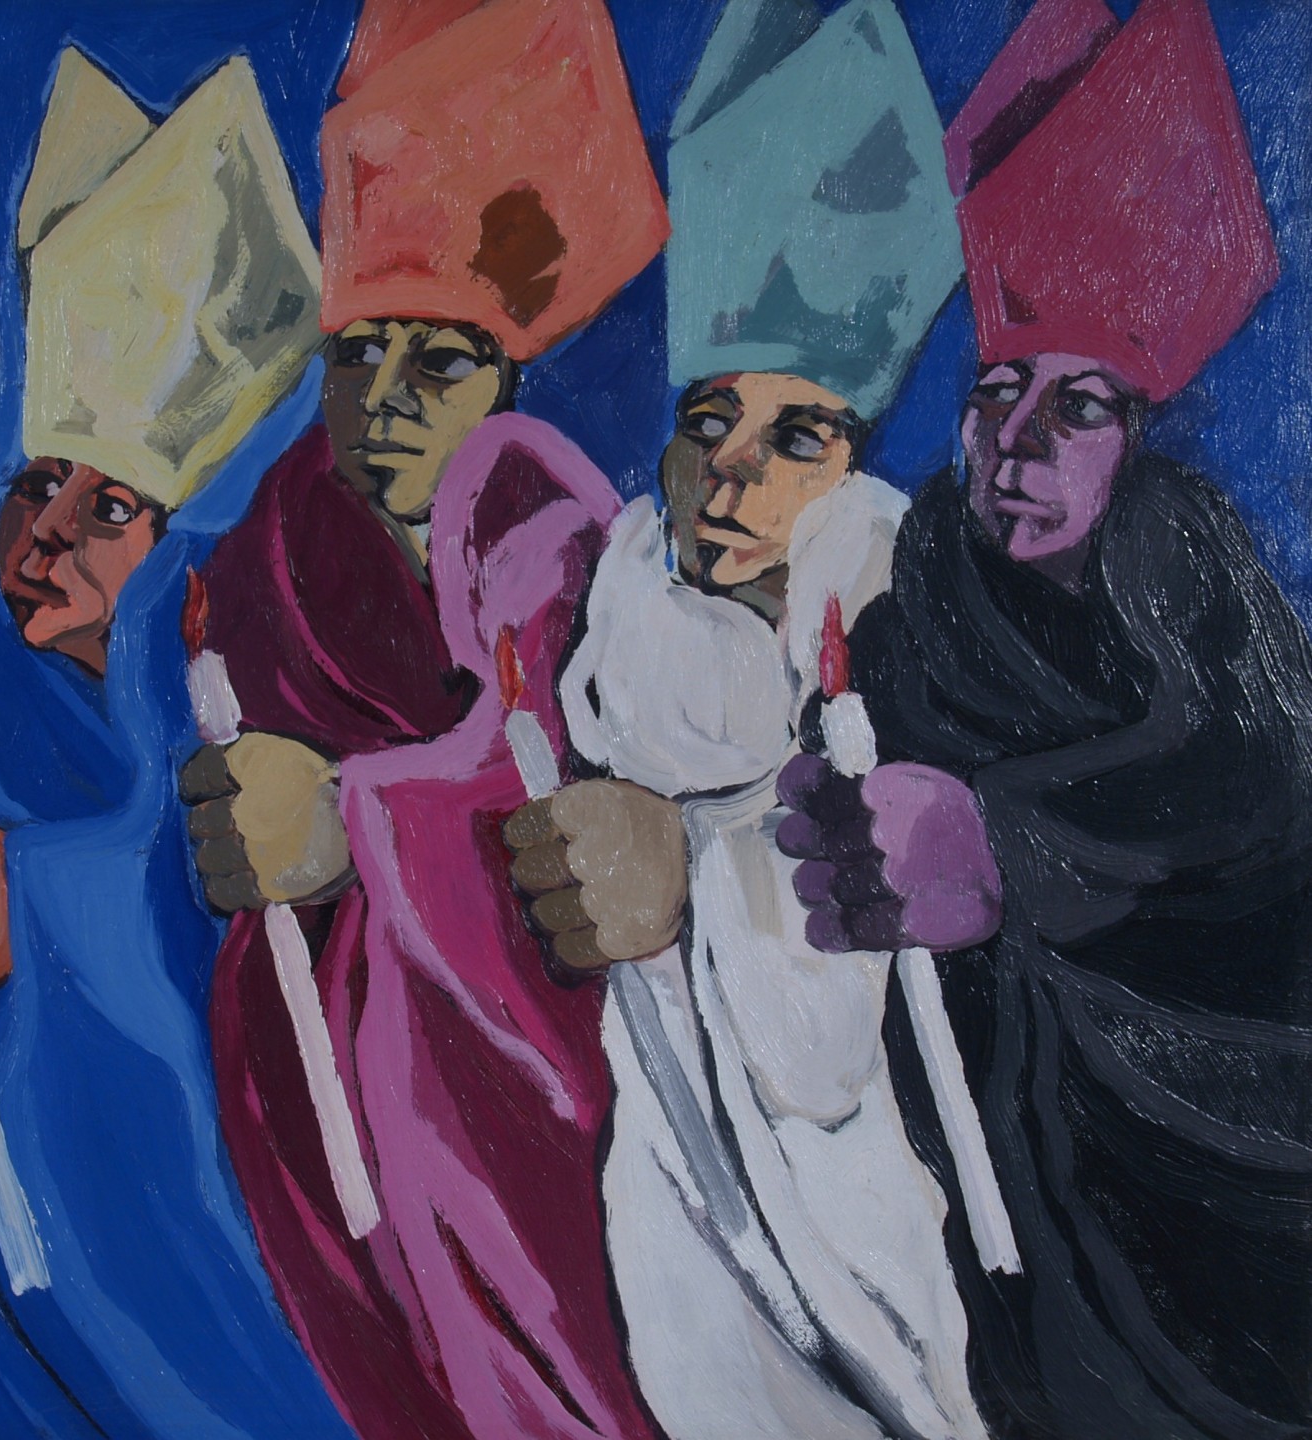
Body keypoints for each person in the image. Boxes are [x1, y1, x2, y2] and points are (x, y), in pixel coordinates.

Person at [777, 1, 1311, 1434]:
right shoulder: (910, 624)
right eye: (996, 392)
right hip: (1005, 1192)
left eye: (1074, 407)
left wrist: (1005, 847)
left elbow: (1253, 783)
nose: (1014, 441)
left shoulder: (1201, 581)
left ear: (1137, 440)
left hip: (1237, 1187)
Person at [179, 1, 669, 1435]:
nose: (384, 398)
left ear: (509, 379)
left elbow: (569, 813)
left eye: (438, 361)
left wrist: (351, 828)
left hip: (566, 1182)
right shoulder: (265, 584)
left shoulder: (577, 572)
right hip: (345, 1167)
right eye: (358, 355)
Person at [0, 51, 357, 1439]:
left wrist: (21, 901)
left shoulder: (256, 676)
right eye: (39, 483)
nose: (46, 535)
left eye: (112, 506)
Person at [505, 3, 984, 1436]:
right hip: (687, 1246)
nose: (728, 471)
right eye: (708, 420)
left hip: (902, 1243)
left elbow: (873, 1038)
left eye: (796, 437)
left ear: (854, 460)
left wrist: (706, 882)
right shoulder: (614, 646)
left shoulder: (925, 640)